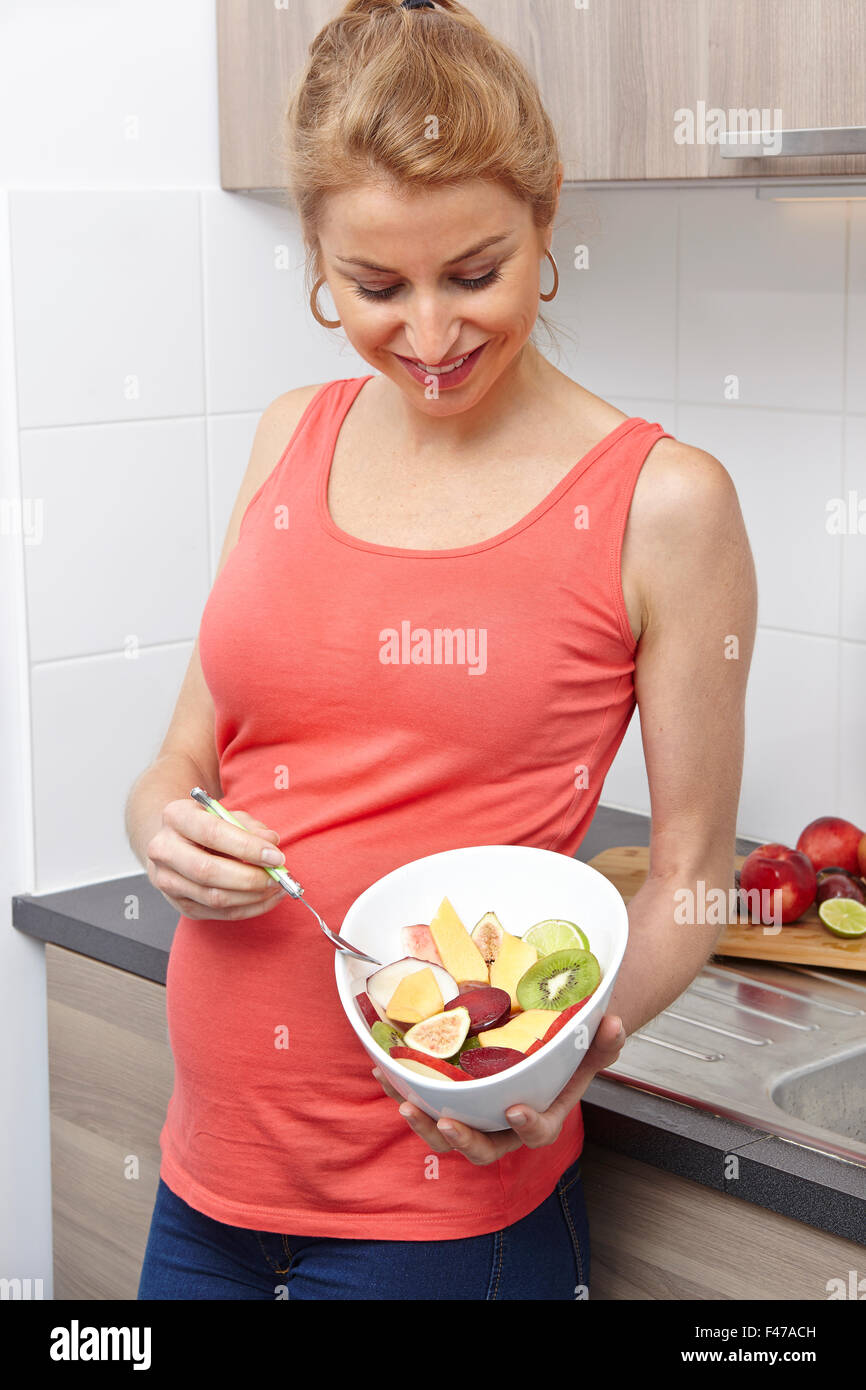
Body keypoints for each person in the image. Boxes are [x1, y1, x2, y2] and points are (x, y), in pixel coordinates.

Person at [127, 0, 757, 1300]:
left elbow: (692, 874)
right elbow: (188, 757)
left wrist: (571, 1051)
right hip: (202, 1182)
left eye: (472, 273)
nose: (427, 336)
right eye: (374, 287)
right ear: (317, 254)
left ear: (544, 219)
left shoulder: (661, 501)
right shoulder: (288, 435)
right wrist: (158, 823)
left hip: (448, 1219)